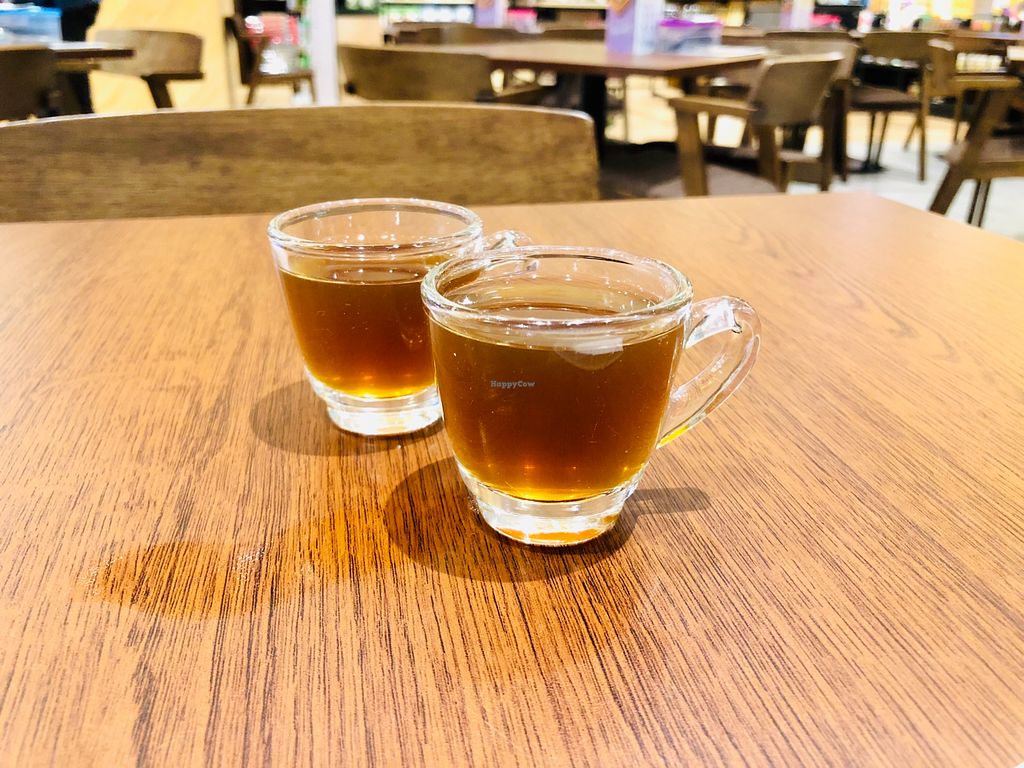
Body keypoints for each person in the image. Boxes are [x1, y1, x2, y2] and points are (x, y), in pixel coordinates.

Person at [14, 0, 102, 111]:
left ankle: (79, 113)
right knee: (55, 64)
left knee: (68, 63)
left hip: (64, 8)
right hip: (48, 9)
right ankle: (57, 112)